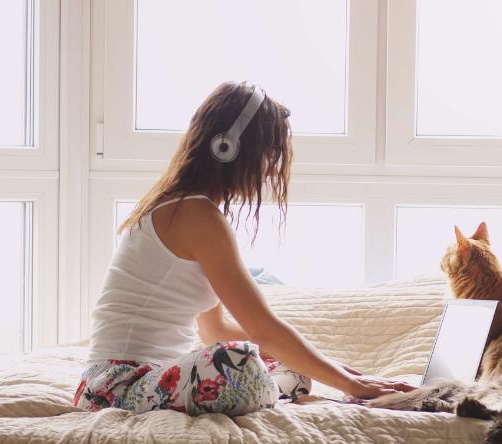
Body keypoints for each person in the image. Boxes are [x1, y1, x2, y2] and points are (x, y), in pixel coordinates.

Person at [74, 82, 413, 416]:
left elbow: (214, 331)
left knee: (290, 365)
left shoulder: (190, 209)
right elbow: (263, 329)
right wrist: (349, 384)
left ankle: (272, 384)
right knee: (244, 365)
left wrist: (319, 364)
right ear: (229, 148)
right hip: (117, 387)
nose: (270, 168)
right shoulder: (196, 215)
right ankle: (267, 386)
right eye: (269, 153)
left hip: (151, 379)